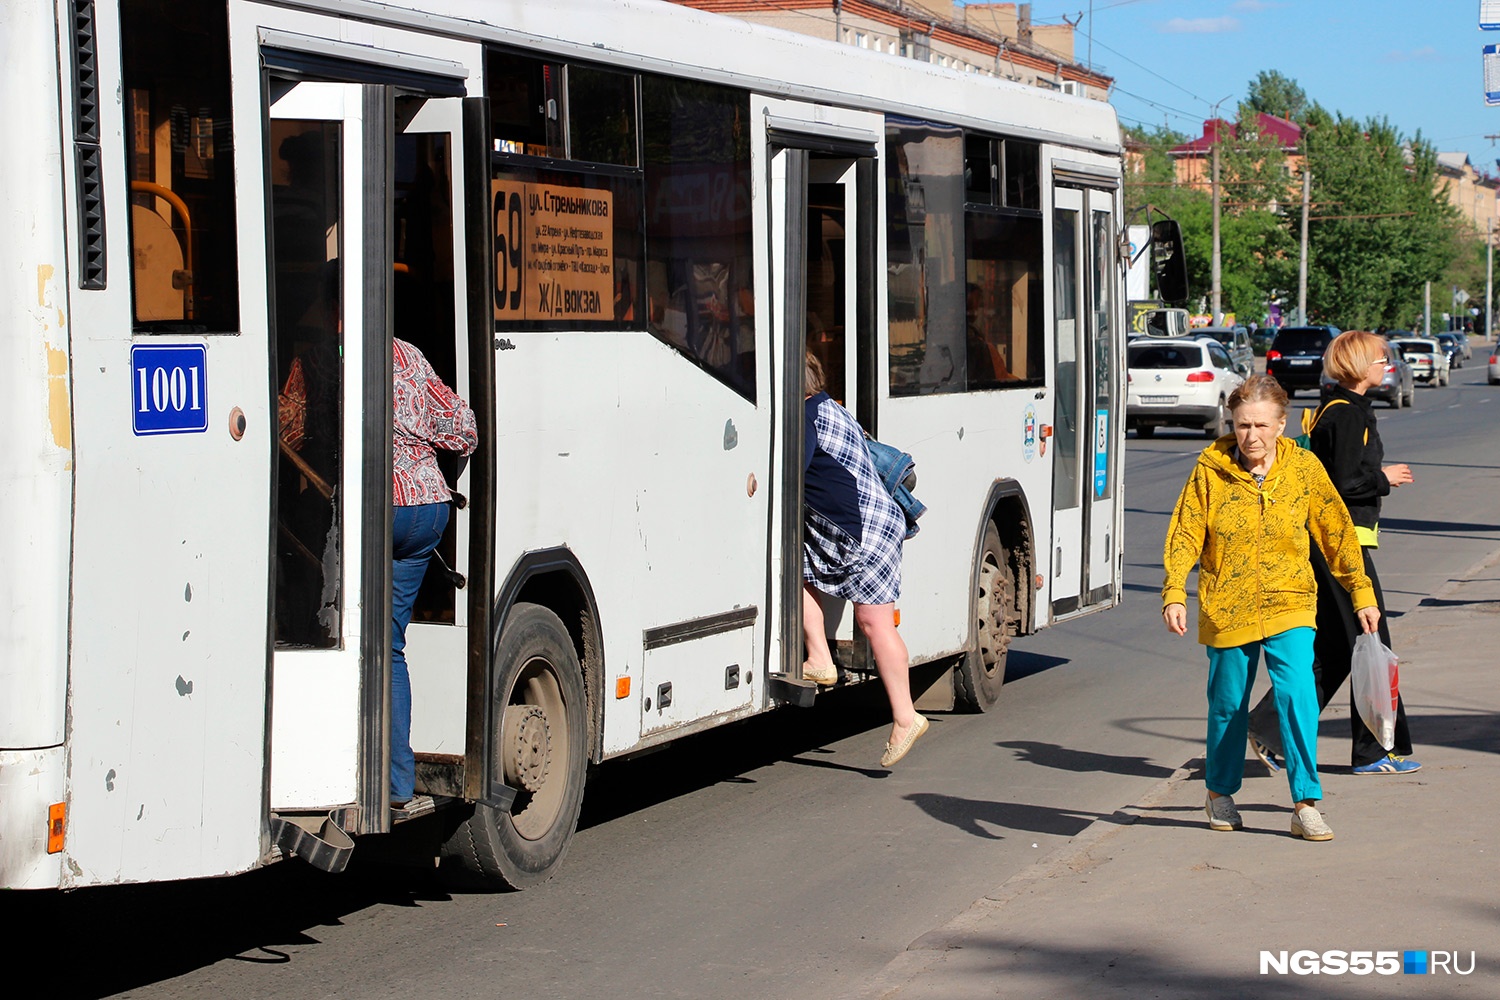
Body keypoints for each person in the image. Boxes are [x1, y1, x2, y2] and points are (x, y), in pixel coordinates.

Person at [1162, 374, 1380, 841]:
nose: (1251, 436)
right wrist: (1175, 592)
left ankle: (1306, 802)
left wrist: (1360, 592)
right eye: (1242, 425)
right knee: (1227, 704)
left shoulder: (1303, 469)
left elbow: (1337, 532)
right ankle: (1219, 793)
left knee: (1298, 694)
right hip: (1227, 604)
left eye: (1261, 425)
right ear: (1231, 423)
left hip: (1291, 599)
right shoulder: (1210, 471)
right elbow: (1185, 532)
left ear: (1281, 424)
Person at [1247, 331, 1421, 775]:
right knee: (1371, 641)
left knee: (1339, 648)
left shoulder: (1345, 411)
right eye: (1381, 359)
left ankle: (1267, 729)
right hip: (1339, 546)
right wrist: (1384, 477)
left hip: (1335, 543)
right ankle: (1374, 752)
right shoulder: (1345, 417)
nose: (1387, 365)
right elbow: (1341, 484)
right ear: (1361, 366)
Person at [800, 353, 928, 767]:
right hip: (878, 522)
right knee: (872, 619)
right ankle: (823, 661)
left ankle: (902, 714)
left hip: (862, 532)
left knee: (795, 574)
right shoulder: (830, 406)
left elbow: (791, 472)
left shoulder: (805, 416)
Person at [391, 337, 478, 811]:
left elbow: (288, 426)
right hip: (429, 509)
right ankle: (398, 783)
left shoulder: (324, 352)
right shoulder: (408, 353)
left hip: (383, 509)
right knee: (390, 645)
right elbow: (464, 428)